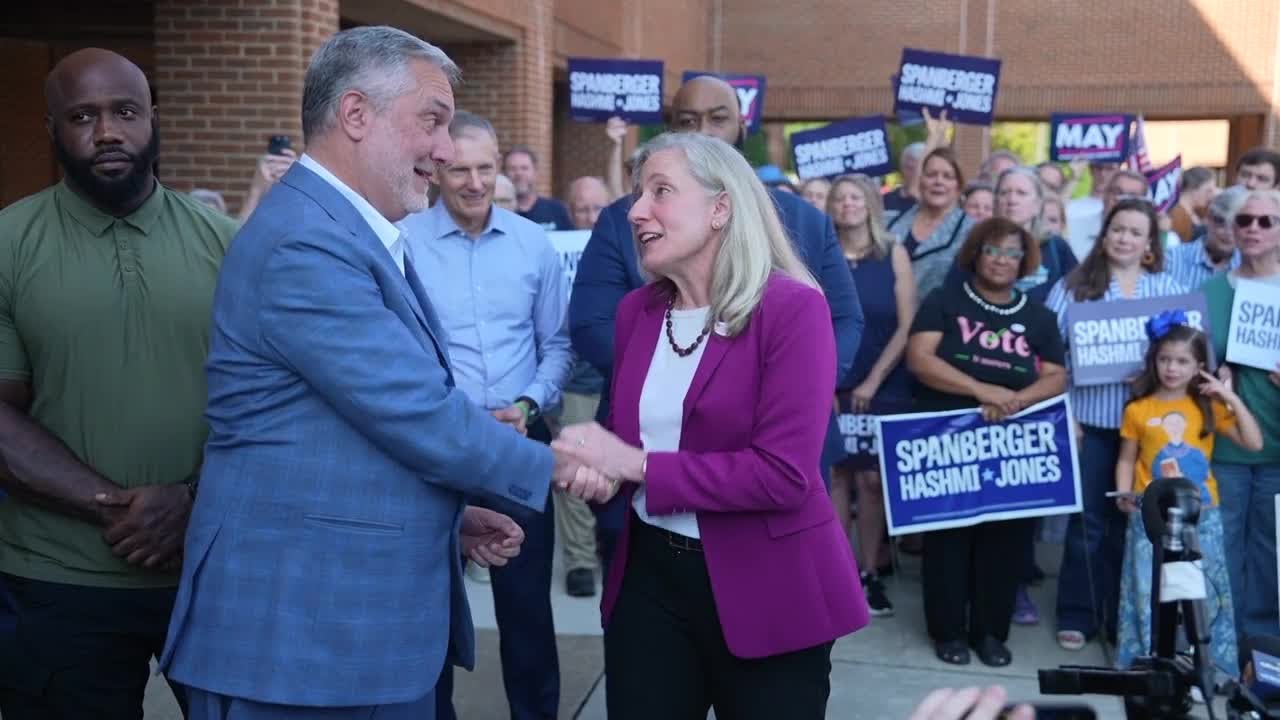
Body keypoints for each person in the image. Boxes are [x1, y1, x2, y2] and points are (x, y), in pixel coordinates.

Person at [158, 27, 611, 719]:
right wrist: (557, 462)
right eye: (432, 119)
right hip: (298, 647)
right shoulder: (307, 243)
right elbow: (413, 410)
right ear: (356, 114)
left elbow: (336, 438)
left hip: (342, 637)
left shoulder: (343, 232)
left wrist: (444, 519)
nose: (445, 146)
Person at [553, 131, 867, 720]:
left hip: (769, 590)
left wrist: (634, 466)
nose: (637, 210)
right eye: (639, 192)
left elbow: (783, 476)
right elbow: (629, 447)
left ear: (720, 208)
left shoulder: (794, 309)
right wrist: (600, 473)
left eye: (661, 191)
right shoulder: (636, 313)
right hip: (648, 580)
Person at [0, 47, 240, 720]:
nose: (106, 132)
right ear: (53, 129)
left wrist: (193, 500)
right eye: (81, 116)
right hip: (56, 582)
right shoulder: (8, 244)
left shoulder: (229, 245)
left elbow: (273, 406)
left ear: (153, 120)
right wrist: (115, 507)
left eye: (125, 112)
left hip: (213, 569)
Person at [569, 74, 864, 579]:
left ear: (742, 126)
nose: (703, 129)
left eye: (717, 117)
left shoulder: (804, 220)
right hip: (649, 523)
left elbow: (843, 320)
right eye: (688, 121)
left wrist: (794, 385)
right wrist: (678, 392)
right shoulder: (626, 226)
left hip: (770, 521)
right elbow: (593, 321)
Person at [401, 110, 572, 720]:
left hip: (517, 441)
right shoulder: (406, 243)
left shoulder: (533, 245)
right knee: (432, 603)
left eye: (486, 168)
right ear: (437, 167)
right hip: (436, 444)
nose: (474, 182)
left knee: (526, 604)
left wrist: (529, 403)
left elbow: (557, 344)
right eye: (460, 168)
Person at [907, 217, 1067, 667]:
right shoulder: (945, 299)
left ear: (1025, 262)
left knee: (1005, 541)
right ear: (975, 254)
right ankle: (949, 632)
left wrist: (1014, 399)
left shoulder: (1039, 316)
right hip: (948, 442)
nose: (1001, 260)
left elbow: (1056, 375)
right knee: (948, 541)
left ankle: (992, 633)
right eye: (992, 250)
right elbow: (920, 359)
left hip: (1012, 448)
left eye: (1012, 253)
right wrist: (982, 391)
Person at [1047, 198, 1187, 652]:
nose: (1124, 238)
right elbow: (1049, 357)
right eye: (1118, 229)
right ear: (1104, 235)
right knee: (1087, 525)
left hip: (1150, 433)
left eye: (1134, 232)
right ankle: (1078, 613)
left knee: (1136, 526)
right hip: (1090, 424)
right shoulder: (1073, 288)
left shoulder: (1168, 288)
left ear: (1149, 244)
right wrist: (1065, 416)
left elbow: (1186, 353)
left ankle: (1121, 619)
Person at [1114, 318, 1261, 673]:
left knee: (1203, 592)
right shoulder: (1139, 408)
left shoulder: (1208, 408)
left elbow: (1254, 443)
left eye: (1182, 362)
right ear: (1154, 361)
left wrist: (1228, 397)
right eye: (1165, 359)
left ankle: (1206, 665)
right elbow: (1127, 457)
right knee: (1148, 590)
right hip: (1151, 516)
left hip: (1202, 516)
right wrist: (1123, 493)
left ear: (1198, 367)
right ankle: (1148, 664)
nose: (1172, 368)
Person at [826, 174, 916, 618]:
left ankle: (869, 572)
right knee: (837, 478)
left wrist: (872, 382)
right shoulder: (820, 256)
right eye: (840, 198)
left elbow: (907, 325)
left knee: (873, 481)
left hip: (883, 385)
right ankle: (840, 573)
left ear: (870, 205)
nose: (848, 205)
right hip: (830, 384)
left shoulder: (893, 252)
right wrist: (823, 382)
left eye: (855, 197)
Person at [1203, 187, 1280, 645]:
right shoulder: (1210, 292)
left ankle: (1266, 653)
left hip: (1278, 447)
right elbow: (1186, 363)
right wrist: (1212, 376)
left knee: (1272, 552)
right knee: (1223, 549)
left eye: (1264, 221)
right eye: (1244, 221)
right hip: (1226, 446)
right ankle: (1223, 647)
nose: (1252, 228)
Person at [555, 175, 613, 598]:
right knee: (574, 471)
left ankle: (606, 547)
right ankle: (578, 559)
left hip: (620, 378)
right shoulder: (555, 252)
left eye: (597, 208)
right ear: (569, 212)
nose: (590, 217)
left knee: (617, 469)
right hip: (576, 382)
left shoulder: (631, 247)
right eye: (582, 209)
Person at [885, 147, 974, 299]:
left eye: (948, 176)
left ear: (959, 185)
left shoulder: (971, 231)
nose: (938, 181)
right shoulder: (888, 222)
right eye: (931, 175)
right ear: (920, 180)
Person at [1165, 185, 1244, 290]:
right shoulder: (1173, 258)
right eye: (1221, 221)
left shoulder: (1249, 266)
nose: (1228, 232)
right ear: (1208, 219)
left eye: (1237, 225)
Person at [506, 145, 573, 231]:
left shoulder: (557, 210)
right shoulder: (498, 212)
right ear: (504, 173)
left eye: (524, 168)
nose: (518, 173)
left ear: (536, 172)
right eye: (512, 168)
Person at [1169, 166, 1217, 243]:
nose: (1211, 196)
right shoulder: (1177, 214)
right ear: (1193, 189)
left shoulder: (1197, 211)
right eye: (1208, 191)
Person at [884, 142, 925, 213]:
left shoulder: (936, 202)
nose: (916, 174)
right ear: (902, 167)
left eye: (920, 169)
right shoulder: (884, 201)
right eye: (910, 168)